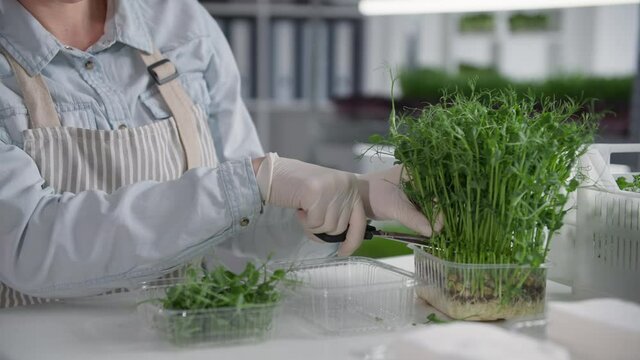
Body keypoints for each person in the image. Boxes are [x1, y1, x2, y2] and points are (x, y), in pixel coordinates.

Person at [0, 0, 439, 308]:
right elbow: (25, 244)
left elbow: (239, 233)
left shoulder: (181, 23)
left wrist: (347, 200)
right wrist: (250, 182)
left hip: (189, 337)